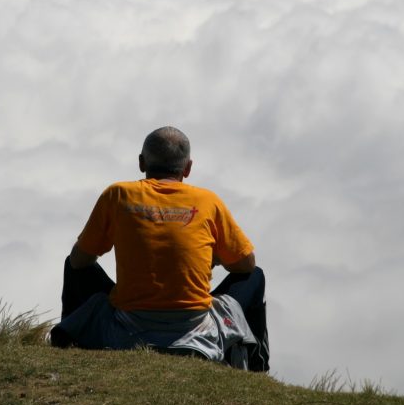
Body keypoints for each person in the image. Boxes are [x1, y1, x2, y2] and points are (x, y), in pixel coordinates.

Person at [50, 126, 269, 371]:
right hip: (194, 326)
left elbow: (80, 261)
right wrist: (215, 257)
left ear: (142, 163)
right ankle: (258, 367)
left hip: (130, 324)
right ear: (188, 168)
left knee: (73, 267)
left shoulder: (118, 195)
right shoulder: (208, 201)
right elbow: (246, 264)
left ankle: (69, 347)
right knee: (255, 276)